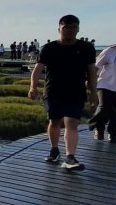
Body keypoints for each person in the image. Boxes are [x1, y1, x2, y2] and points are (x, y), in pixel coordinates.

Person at [28, 14, 99, 171]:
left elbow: (92, 72)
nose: (69, 31)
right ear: (59, 29)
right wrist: (33, 87)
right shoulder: (49, 48)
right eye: (66, 28)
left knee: (72, 123)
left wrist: (94, 93)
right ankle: (54, 149)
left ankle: (70, 157)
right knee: (55, 122)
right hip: (53, 91)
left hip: (76, 91)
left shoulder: (86, 48)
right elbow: (38, 69)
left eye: (73, 28)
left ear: (78, 29)